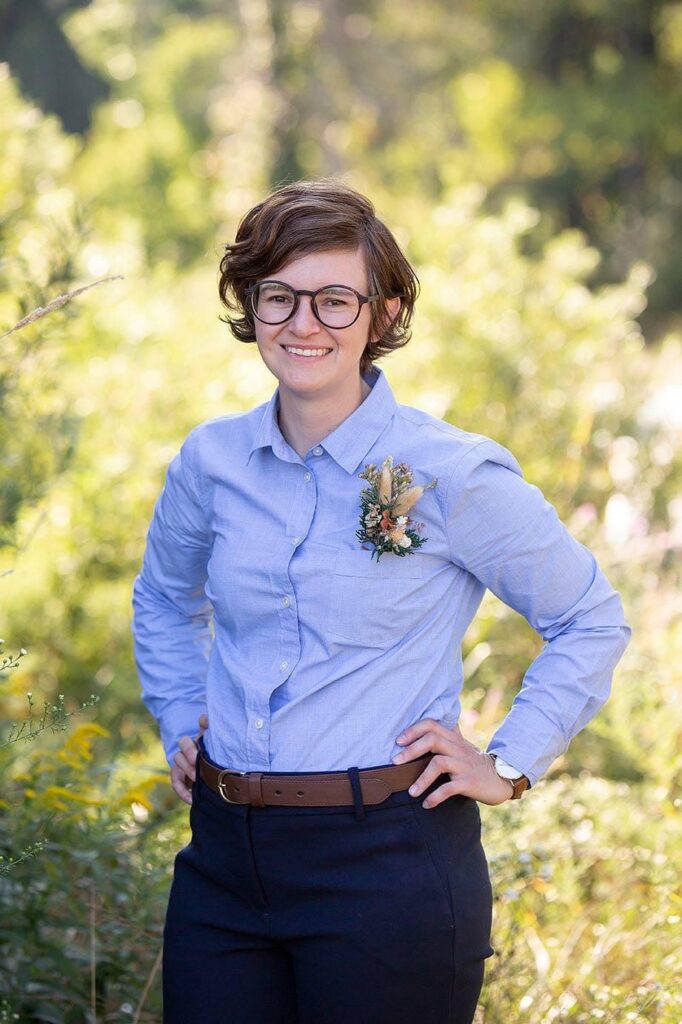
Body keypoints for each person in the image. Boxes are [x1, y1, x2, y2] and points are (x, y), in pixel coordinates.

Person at [131, 179, 631, 1024]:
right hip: (223, 865)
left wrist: (508, 765)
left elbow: (590, 617)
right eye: (278, 296)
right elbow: (163, 600)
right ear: (250, 306)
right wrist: (182, 719)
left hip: (387, 870)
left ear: (383, 311)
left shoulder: (450, 471)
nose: (303, 324)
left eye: (334, 300)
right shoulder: (210, 461)